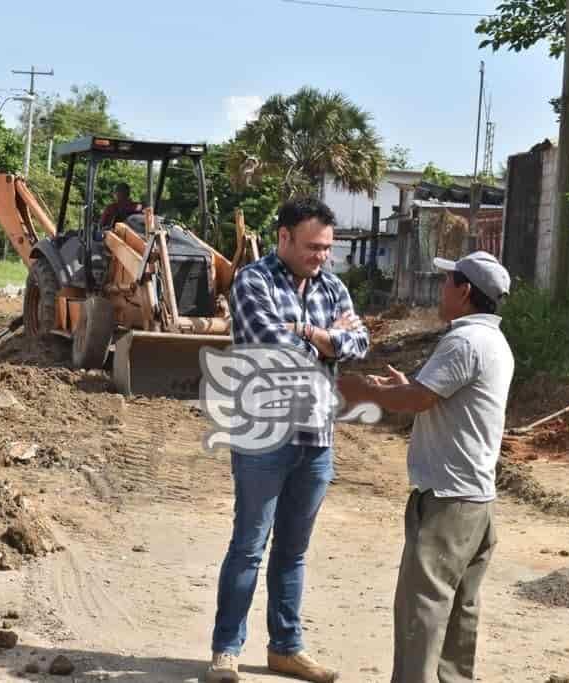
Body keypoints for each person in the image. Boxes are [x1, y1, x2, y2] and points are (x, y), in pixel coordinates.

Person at [206, 197, 369, 683]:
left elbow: (360, 344)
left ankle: (286, 647)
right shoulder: (253, 280)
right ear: (283, 238)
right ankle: (225, 650)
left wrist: (308, 333)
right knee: (249, 546)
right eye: (313, 246)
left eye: (326, 248)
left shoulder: (335, 286)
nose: (322, 256)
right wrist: (324, 338)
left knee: (293, 550)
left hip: (317, 436)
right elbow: (268, 344)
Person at [336, 251, 514, 683]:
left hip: (448, 501)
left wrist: (365, 392)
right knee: (460, 612)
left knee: (422, 611)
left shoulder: (464, 341)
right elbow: (430, 396)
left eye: (446, 282)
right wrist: (403, 388)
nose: (440, 290)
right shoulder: (492, 341)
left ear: (465, 290)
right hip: (475, 500)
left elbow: (419, 400)